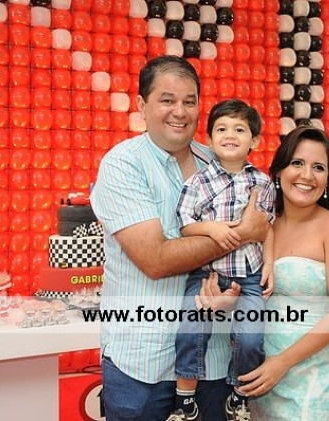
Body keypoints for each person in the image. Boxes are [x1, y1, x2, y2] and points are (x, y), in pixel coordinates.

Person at [90, 56, 269, 421]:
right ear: (142, 105)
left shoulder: (217, 161)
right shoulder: (123, 164)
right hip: (142, 362)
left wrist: (240, 282)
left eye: (189, 101)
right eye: (167, 100)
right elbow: (155, 260)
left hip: (213, 359)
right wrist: (242, 233)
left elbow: (261, 229)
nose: (180, 112)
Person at [236, 126, 329, 420]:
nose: (307, 175)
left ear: (328, 179)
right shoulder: (263, 226)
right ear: (279, 171)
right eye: (297, 163)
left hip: (312, 380)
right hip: (263, 375)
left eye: (318, 167)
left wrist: (283, 362)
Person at [168, 99, 276, 421]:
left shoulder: (262, 183)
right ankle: (185, 402)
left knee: (251, 338)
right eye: (222, 129)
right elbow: (185, 224)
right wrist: (211, 229)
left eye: (239, 130)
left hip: (250, 276)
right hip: (207, 274)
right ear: (210, 138)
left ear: (254, 140)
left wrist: (269, 263)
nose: (230, 135)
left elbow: (267, 227)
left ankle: (238, 397)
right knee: (190, 329)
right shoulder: (197, 182)